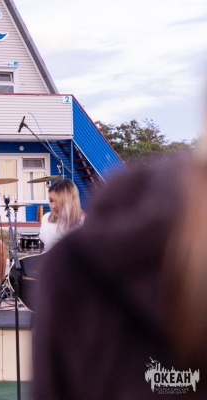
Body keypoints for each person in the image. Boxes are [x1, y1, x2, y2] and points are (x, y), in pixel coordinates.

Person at [32, 142, 207, 395]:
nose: (51, 205)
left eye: (54, 200)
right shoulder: (58, 235)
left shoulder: (81, 240)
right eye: (49, 201)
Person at [38, 179, 85, 252]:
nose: (53, 206)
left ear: (71, 201)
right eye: (51, 201)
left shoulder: (83, 222)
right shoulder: (46, 218)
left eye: (58, 201)